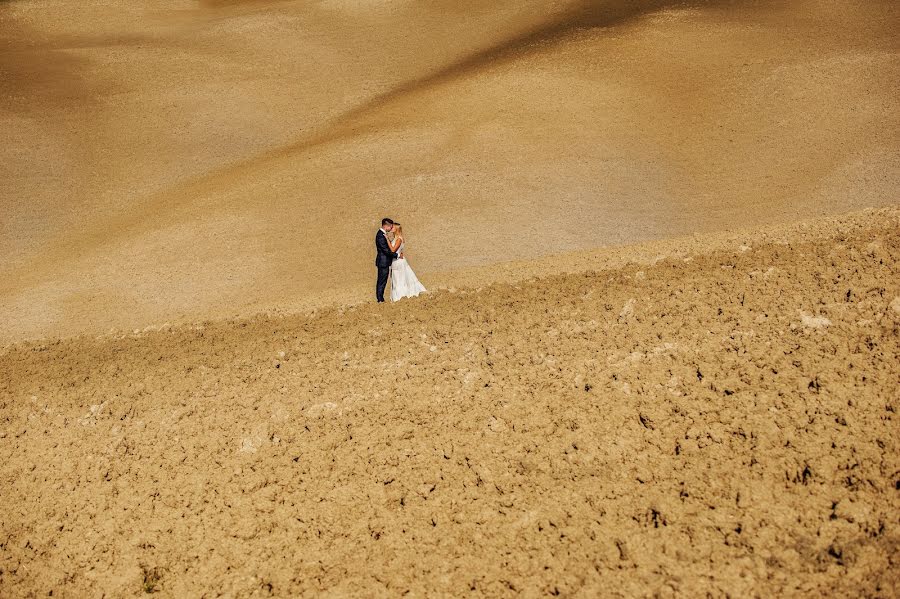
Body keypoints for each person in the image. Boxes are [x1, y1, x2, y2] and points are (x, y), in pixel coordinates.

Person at [387, 223, 427, 301]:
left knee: (399, 279)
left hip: (398, 262)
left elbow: (392, 250)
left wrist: (387, 240)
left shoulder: (399, 238)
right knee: (397, 279)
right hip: (396, 260)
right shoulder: (396, 238)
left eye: (393, 227)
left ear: (397, 229)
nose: (391, 228)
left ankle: (400, 297)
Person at [375, 218, 400, 303]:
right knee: (382, 281)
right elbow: (385, 250)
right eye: (391, 226)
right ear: (387, 226)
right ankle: (380, 299)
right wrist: (397, 255)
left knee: (383, 281)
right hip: (383, 262)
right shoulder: (380, 235)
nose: (391, 228)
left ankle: (380, 298)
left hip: (384, 262)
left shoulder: (382, 234)